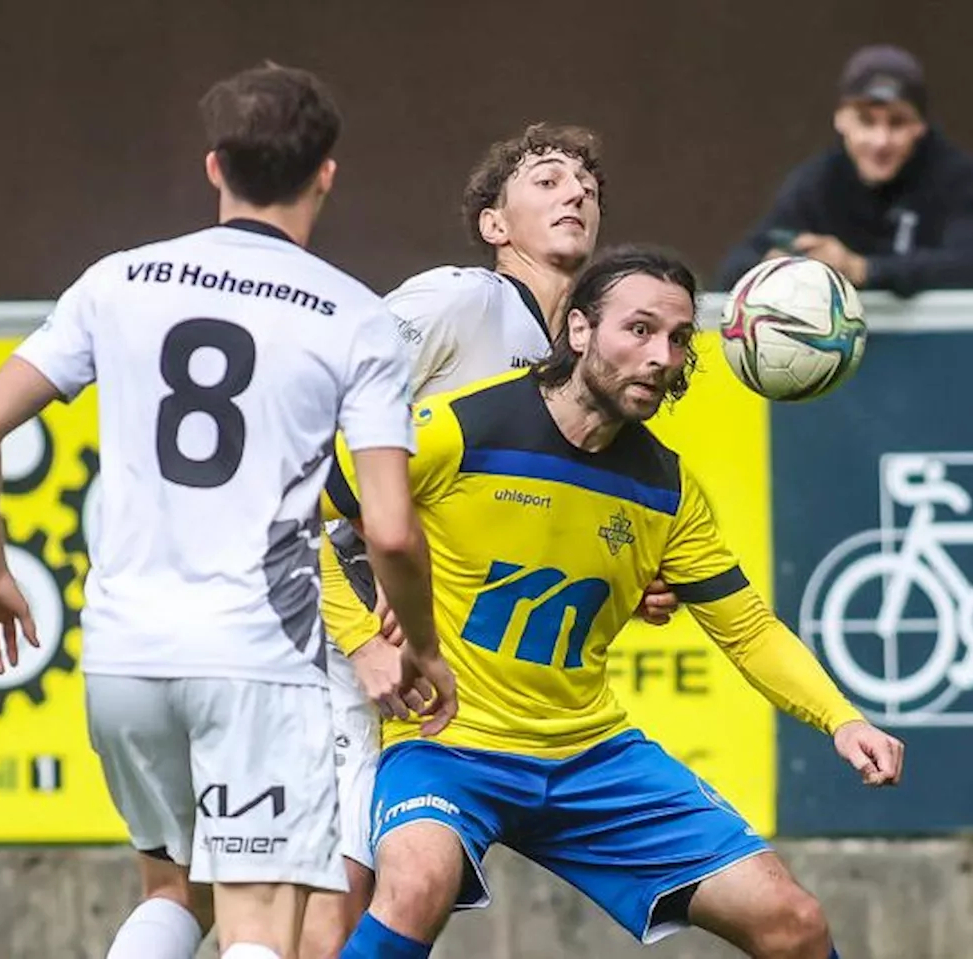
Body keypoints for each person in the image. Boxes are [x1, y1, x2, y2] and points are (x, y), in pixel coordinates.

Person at [0, 63, 455, 959]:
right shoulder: (353, 316)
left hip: (127, 652)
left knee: (176, 891)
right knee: (260, 923)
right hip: (260, 656)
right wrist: (419, 642)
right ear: (327, 173)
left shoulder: (117, 281)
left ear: (214, 165)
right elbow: (389, 528)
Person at [325, 245, 906, 959]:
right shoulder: (458, 426)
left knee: (793, 921)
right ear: (577, 330)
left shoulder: (666, 489)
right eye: (638, 330)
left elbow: (749, 629)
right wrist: (361, 639)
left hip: (588, 754)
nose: (661, 355)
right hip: (448, 743)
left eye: (679, 338)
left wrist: (841, 720)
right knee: (416, 886)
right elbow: (295, 513)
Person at [301, 123, 677, 958]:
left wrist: (629, 577)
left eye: (586, 185)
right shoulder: (460, 298)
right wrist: (362, 623)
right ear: (494, 226)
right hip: (339, 625)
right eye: (546, 180)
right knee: (330, 888)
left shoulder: (568, 361)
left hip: (418, 648)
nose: (575, 192)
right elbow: (320, 429)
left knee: (336, 888)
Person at [715, 44, 973, 298]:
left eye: (896, 123)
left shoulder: (955, 177)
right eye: (866, 122)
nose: (880, 141)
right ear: (841, 120)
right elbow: (733, 272)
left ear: (920, 126)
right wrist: (779, 267)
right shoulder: (817, 182)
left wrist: (861, 269)